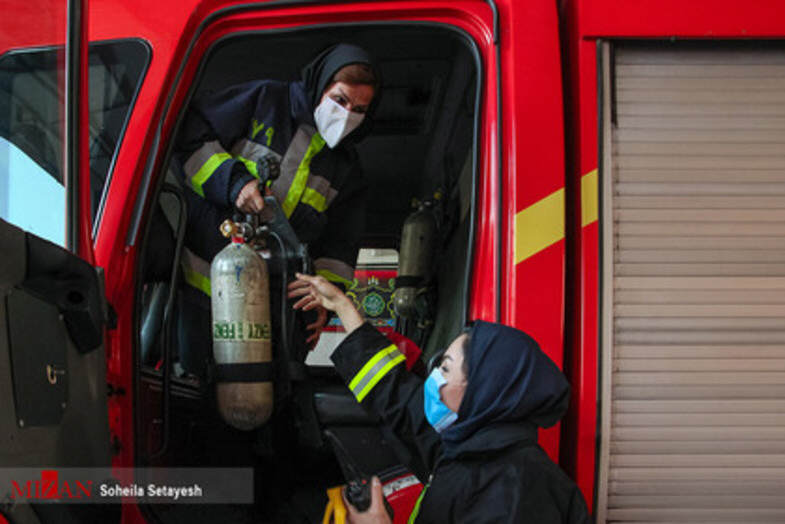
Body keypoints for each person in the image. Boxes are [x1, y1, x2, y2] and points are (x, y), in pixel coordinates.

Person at [288, 273, 590, 524]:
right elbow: (394, 394)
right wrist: (341, 305)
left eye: (444, 368)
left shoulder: (515, 495)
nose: (433, 378)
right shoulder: (469, 445)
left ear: (480, 390)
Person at [174, 44, 380, 377]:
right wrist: (234, 183)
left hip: (276, 307)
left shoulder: (347, 170)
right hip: (205, 290)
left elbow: (339, 247)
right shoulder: (265, 101)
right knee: (199, 386)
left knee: (273, 391)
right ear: (320, 86)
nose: (346, 115)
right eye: (339, 100)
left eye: (358, 109)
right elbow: (188, 133)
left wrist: (324, 302)